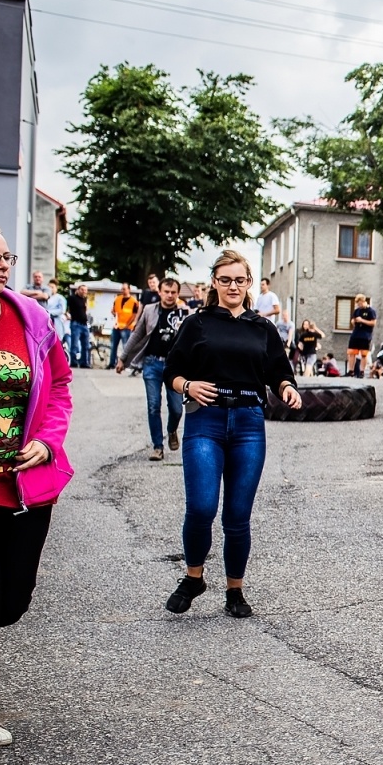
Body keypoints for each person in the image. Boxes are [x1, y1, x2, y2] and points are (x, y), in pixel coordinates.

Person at [163, 249, 301, 619]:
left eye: (240, 280)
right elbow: (171, 371)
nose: (233, 286)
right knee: (202, 507)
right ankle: (193, 578)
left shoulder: (263, 328)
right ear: (214, 282)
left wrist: (287, 387)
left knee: (237, 515)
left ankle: (234, 591)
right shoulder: (198, 323)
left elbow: (279, 372)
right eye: (225, 279)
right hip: (204, 422)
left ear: (249, 283)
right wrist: (188, 385)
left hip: (249, 425)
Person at [0, 229, 74, 748]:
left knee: (10, 601)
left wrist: (46, 441)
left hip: (22, 487)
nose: (3, 264)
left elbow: (61, 385)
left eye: (7, 256)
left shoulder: (30, 316)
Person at [117, 275, 190, 460]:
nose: (170, 295)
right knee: (153, 406)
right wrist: (122, 358)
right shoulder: (150, 310)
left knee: (176, 409)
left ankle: (172, 430)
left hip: (175, 367)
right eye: (166, 292)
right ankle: (158, 446)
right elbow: (137, 334)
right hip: (152, 363)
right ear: (160, 292)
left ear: (178, 294)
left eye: (174, 292)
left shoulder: (184, 313)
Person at [108, 282, 141, 370]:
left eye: (124, 289)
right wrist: (114, 315)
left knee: (126, 346)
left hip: (126, 327)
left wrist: (128, 325)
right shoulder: (117, 299)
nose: (122, 290)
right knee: (113, 345)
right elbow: (114, 310)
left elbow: (134, 315)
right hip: (117, 326)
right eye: (122, 289)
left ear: (129, 289)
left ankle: (126, 364)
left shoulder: (133, 301)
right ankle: (112, 363)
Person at [346, 295, 376, 378]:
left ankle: (362, 371)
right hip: (356, 334)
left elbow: (373, 323)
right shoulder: (357, 311)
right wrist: (354, 321)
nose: (359, 306)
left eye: (360, 304)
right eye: (358, 304)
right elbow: (353, 319)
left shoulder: (371, 311)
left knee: (364, 354)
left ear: (363, 301)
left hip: (365, 335)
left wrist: (362, 320)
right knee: (351, 352)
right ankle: (351, 370)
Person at [66, 285, 91, 369]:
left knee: (86, 345)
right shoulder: (72, 298)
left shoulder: (84, 299)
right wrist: (67, 315)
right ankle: (73, 362)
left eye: (85, 290)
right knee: (75, 344)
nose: (84, 291)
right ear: (78, 290)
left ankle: (84, 362)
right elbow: (66, 308)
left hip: (84, 324)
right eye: (82, 290)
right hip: (76, 324)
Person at [44, 281, 67, 345]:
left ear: (56, 288)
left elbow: (62, 310)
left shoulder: (60, 298)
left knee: (57, 341)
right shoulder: (44, 297)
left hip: (56, 321)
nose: (50, 289)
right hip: (46, 321)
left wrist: (48, 312)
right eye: (49, 287)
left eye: (52, 287)